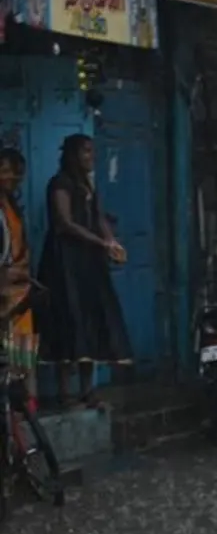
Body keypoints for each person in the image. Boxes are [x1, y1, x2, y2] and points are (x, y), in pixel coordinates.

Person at [37, 134, 132, 410]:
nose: (92, 157)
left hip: (89, 262)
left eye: (92, 151)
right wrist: (100, 242)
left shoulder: (87, 184)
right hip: (64, 263)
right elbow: (64, 224)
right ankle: (66, 393)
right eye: (86, 152)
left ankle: (88, 391)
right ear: (72, 155)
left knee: (93, 318)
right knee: (68, 320)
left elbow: (98, 217)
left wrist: (111, 242)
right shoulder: (60, 184)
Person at [0, 148, 36, 411]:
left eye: (16, 173)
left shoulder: (11, 206)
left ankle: (25, 414)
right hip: (5, 289)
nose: (11, 177)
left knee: (23, 358)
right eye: (5, 171)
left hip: (18, 293)